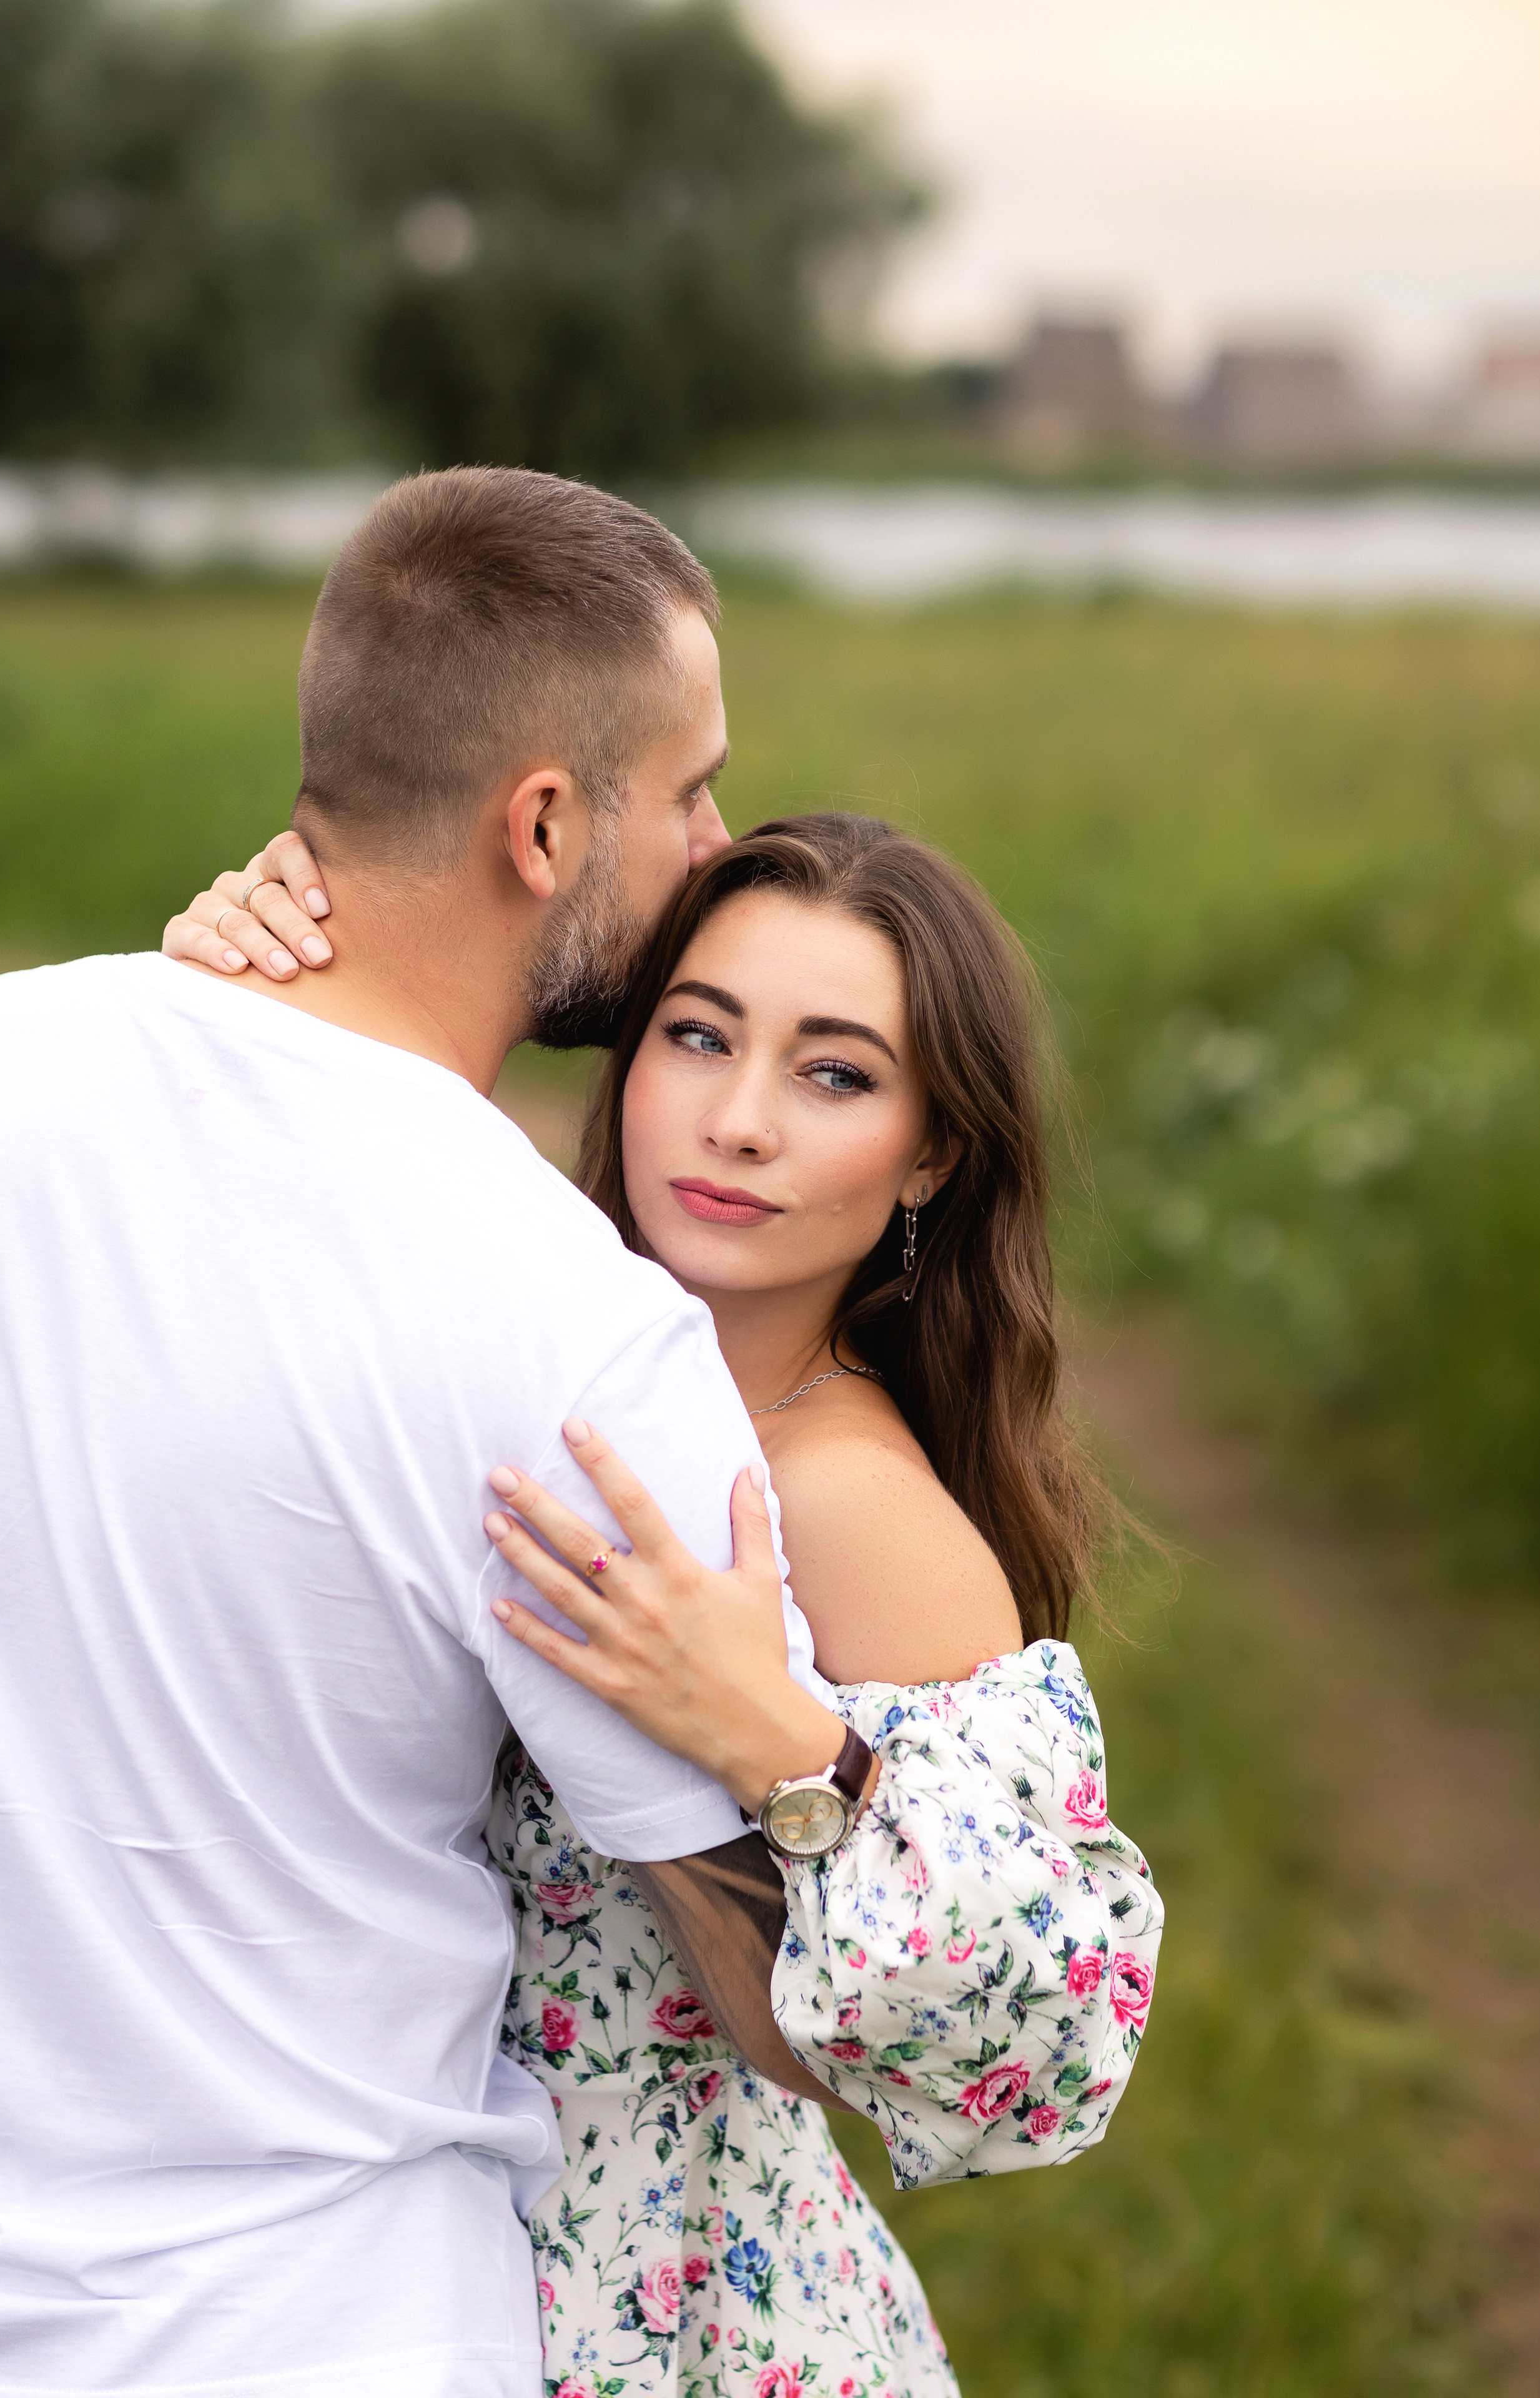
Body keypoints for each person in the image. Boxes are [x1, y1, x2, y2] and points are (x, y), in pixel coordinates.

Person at [0, 468, 845, 2398]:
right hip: (323, 2326)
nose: (717, 847)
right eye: (692, 790)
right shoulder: (571, 1327)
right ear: (543, 823)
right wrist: (808, 1761)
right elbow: (792, 2006)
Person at [169, 810, 1165, 2398]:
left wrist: (771, 1730)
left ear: (930, 1152)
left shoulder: (840, 1507)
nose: (740, 1121)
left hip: (656, 2302)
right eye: (698, 1038)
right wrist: (261, 987)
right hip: (327, 2249)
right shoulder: (525, 1349)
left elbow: (1038, 2049)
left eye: (833, 1073)